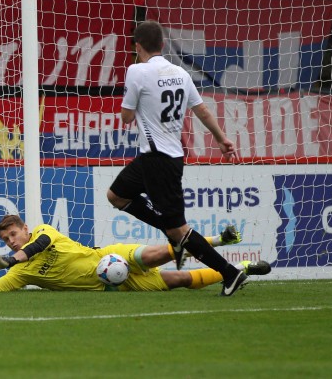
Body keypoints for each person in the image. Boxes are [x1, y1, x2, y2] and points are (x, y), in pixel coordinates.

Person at [106, 20, 247, 296]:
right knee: (116, 196)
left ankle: (230, 272)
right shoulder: (180, 73)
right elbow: (202, 110)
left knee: (179, 229)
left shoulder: (136, 71)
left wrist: (135, 106)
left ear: (137, 46)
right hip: (160, 157)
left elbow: (125, 117)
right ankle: (176, 238)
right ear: (162, 44)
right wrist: (221, 138)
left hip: (158, 161)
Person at [0, 214, 270, 292]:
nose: (11, 241)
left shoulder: (43, 232)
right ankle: (242, 267)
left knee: (160, 254)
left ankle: (218, 240)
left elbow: (36, 248)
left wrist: (7, 259)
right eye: (5, 240)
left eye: (13, 234)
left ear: (25, 229)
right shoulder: (22, 274)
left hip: (109, 257)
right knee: (181, 278)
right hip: (115, 285)